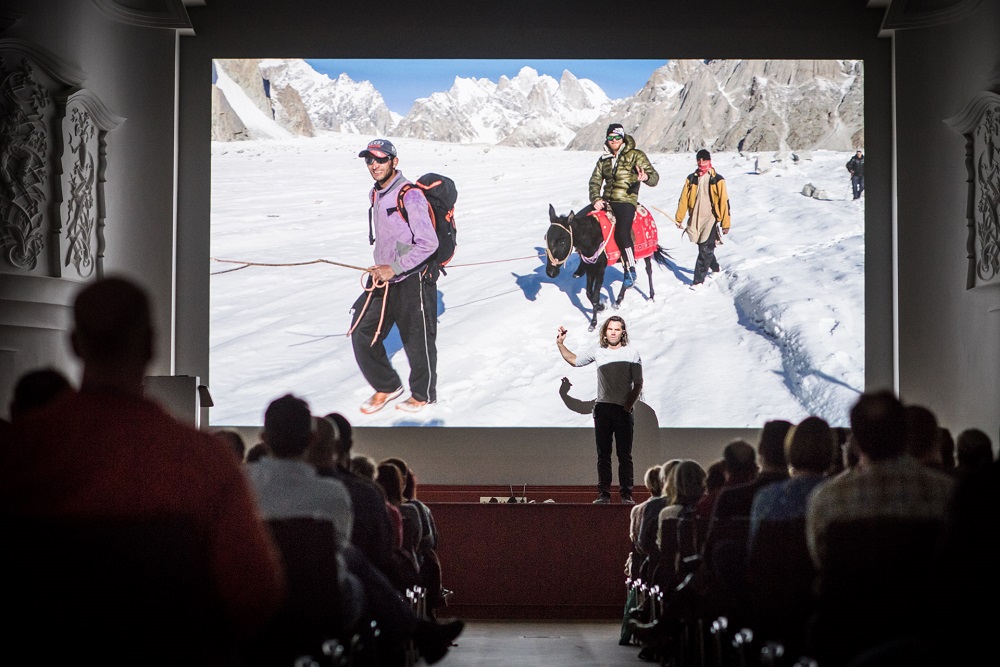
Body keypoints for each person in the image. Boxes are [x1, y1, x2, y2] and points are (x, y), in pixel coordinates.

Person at [1, 277, 285, 663]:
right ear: (151, 344)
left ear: (74, 343)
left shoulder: (17, 452)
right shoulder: (203, 461)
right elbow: (254, 594)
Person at [351, 138, 439, 415]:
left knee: (416, 340)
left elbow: (428, 243)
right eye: (369, 160)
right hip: (384, 277)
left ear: (394, 162)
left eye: (380, 159)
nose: (374, 165)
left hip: (412, 278)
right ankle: (387, 385)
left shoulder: (409, 195)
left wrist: (395, 267)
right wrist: (383, 266)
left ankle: (423, 395)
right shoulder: (376, 194)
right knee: (361, 331)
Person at [556, 315, 643, 504]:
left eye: (617, 329)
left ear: (623, 332)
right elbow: (575, 361)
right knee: (603, 455)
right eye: (610, 329)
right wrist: (561, 344)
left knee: (624, 455)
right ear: (605, 332)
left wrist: (627, 406)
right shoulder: (598, 350)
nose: (613, 332)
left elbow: (638, 383)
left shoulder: (632, 353)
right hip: (603, 409)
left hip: (623, 410)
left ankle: (626, 495)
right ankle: (604, 494)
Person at [576, 123, 659, 288]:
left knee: (622, 230)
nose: (613, 140)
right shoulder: (604, 159)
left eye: (617, 137)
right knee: (578, 221)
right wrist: (595, 199)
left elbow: (654, 177)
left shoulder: (635, 155)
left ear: (622, 138)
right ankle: (584, 261)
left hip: (625, 200)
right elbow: (595, 181)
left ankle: (630, 268)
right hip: (606, 200)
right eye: (610, 137)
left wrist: (645, 178)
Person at [674, 148, 731, 287]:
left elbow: (724, 201)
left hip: (711, 218)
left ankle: (698, 282)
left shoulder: (717, 179)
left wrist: (725, 223)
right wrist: (679, 217)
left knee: (705, 249)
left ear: (709, 161)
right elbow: (683, 199)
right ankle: (716, 268)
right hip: (695, 217)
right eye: (699, 160)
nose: (701, 162)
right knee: (703, 246)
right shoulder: (691, 178)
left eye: (704, 159)